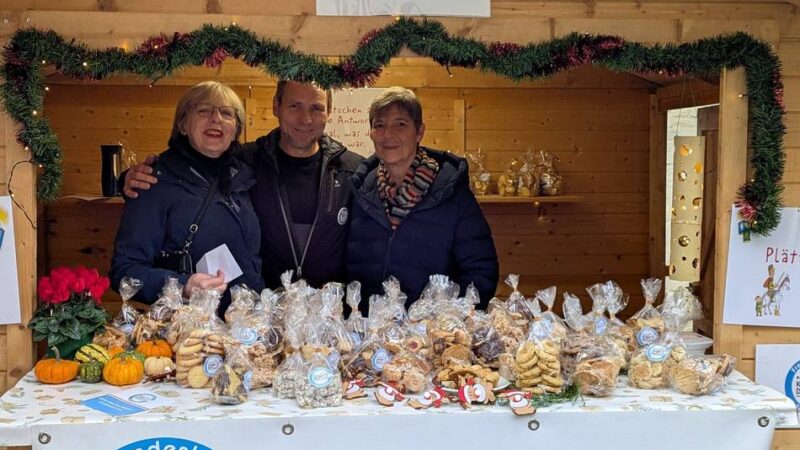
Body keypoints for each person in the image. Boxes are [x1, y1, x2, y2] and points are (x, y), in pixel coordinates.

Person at [123, 81, 363, 290]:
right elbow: (127, 264)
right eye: (294, 105)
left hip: (315, 318)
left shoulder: (352, 169)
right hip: (224, 320)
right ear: (276, 107)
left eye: (317, 108)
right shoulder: (248, 160)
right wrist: (126, 178)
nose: (305, 118)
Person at [110, 81, 264, 316]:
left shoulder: (246, 177)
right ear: (182, 124)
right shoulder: (153, 182)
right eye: (204, 110)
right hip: (187, 333)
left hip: (246, 328)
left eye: (227, 113)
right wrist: (182, 285)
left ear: (236, 130)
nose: (216, 118)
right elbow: (125, 272)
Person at [347, 87, 499, 310]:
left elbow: (481, 272)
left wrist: (448, 323)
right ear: (371, 133)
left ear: (419, 132)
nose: (388, 134)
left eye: (400, 124)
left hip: (430, 336)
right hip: (369, 335)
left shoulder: (452, 195)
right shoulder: (360, 192)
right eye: (379, 125)